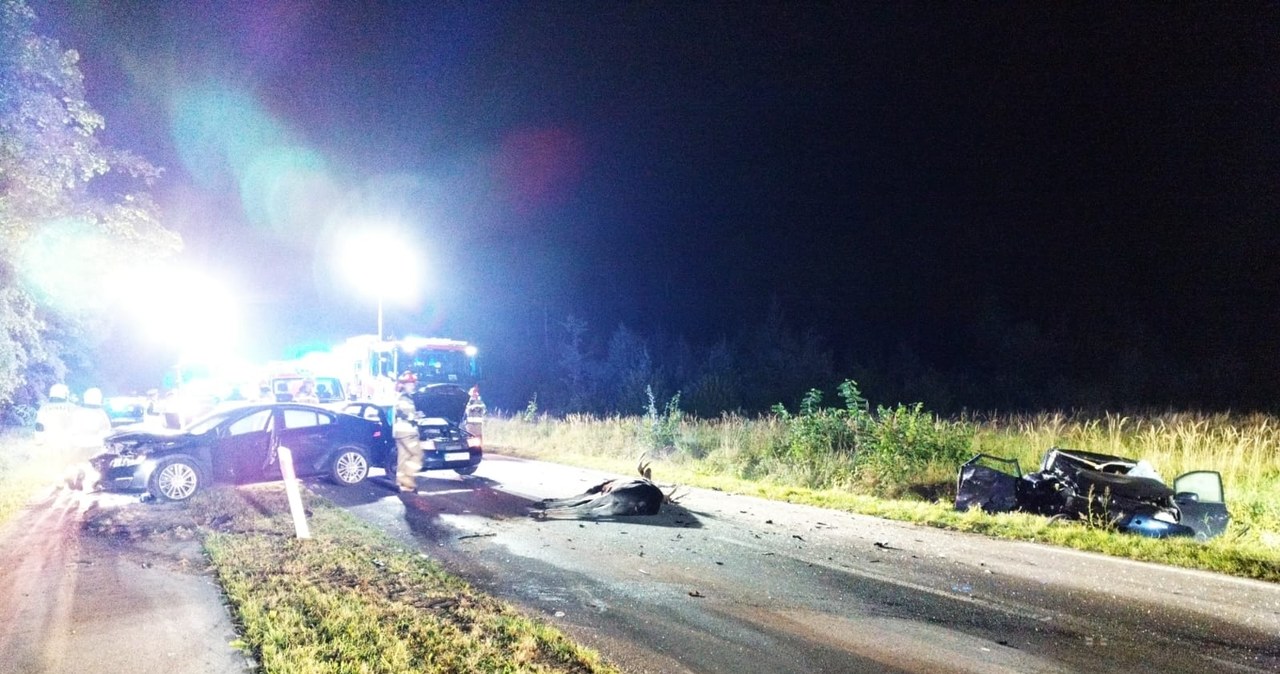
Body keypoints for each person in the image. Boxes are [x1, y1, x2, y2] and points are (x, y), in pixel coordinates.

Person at [393, 397, 422, 493]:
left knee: (403, 457)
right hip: (406, 431)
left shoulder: (400, 397)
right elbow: (404, 414)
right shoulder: (405, 399)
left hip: (399, 431)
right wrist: (416, 416)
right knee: (417, 454)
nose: (413, 386)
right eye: (410, 384)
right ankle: (407, 480)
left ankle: (402, 484)